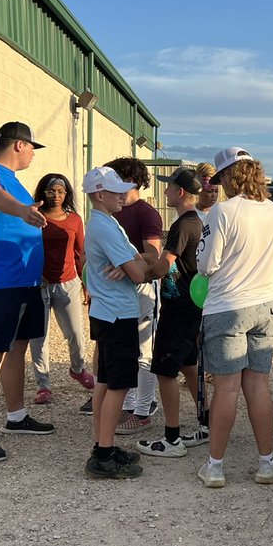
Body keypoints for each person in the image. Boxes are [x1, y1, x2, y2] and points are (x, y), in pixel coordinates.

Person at [195, 147, 273, 488]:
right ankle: (266, 461)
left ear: (226, 178)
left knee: (226, 388)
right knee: (258, 384)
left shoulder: (221, 212)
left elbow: (206, 264)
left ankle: (216, 466)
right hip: (265, 304)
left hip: (226, 307)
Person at [0, 121, 54, 462]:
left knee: (18, 348)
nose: (33, 153)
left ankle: (15, 416)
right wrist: (23, 211)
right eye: (32, 147)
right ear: (18, 144)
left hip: (25, 280)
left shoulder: (16, 180)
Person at [82, 166, 150, 479]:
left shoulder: (105, 222)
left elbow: (137, 258)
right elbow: (141, 269)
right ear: (100, 194)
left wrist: (132, 262)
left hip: (107, 311)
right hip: (117, 312)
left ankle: (102, 445)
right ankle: (105, 454)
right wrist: (134, 265)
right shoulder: (105, 226)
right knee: (118, 386)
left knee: (106, 382)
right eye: (115, 191)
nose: (122, 195)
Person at [136, 168, 206, 459]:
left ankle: (171, 438)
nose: (165, 192)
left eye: (168, 188)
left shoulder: (183, 225)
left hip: (178, 308)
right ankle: (206, 423)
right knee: (190, 365)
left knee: (165, 371)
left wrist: (141, 275)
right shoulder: (199, 222)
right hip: (192, 305)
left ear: (179, 192)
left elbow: (166, 263)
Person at [106, 157, 164, 433]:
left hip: (141, 289)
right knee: (123, 349)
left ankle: (143, 411)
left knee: (144, 351)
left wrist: (125, 262)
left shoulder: (146, 213)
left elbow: (153, 255)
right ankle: (128, 405)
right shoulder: (111, 211)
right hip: (115, 291)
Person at [28, 174, 94, 404]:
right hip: (39, 284)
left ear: (67, 194)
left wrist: (86, 283)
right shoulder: (33, 217)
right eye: (50, 191)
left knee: (76, 333)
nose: (56, 195)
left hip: (68, 282)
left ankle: (78, 369)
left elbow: (80, 253)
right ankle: (43, 385)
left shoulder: (75, 220)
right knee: (39, 337)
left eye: (60, 191)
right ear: (42, 193)